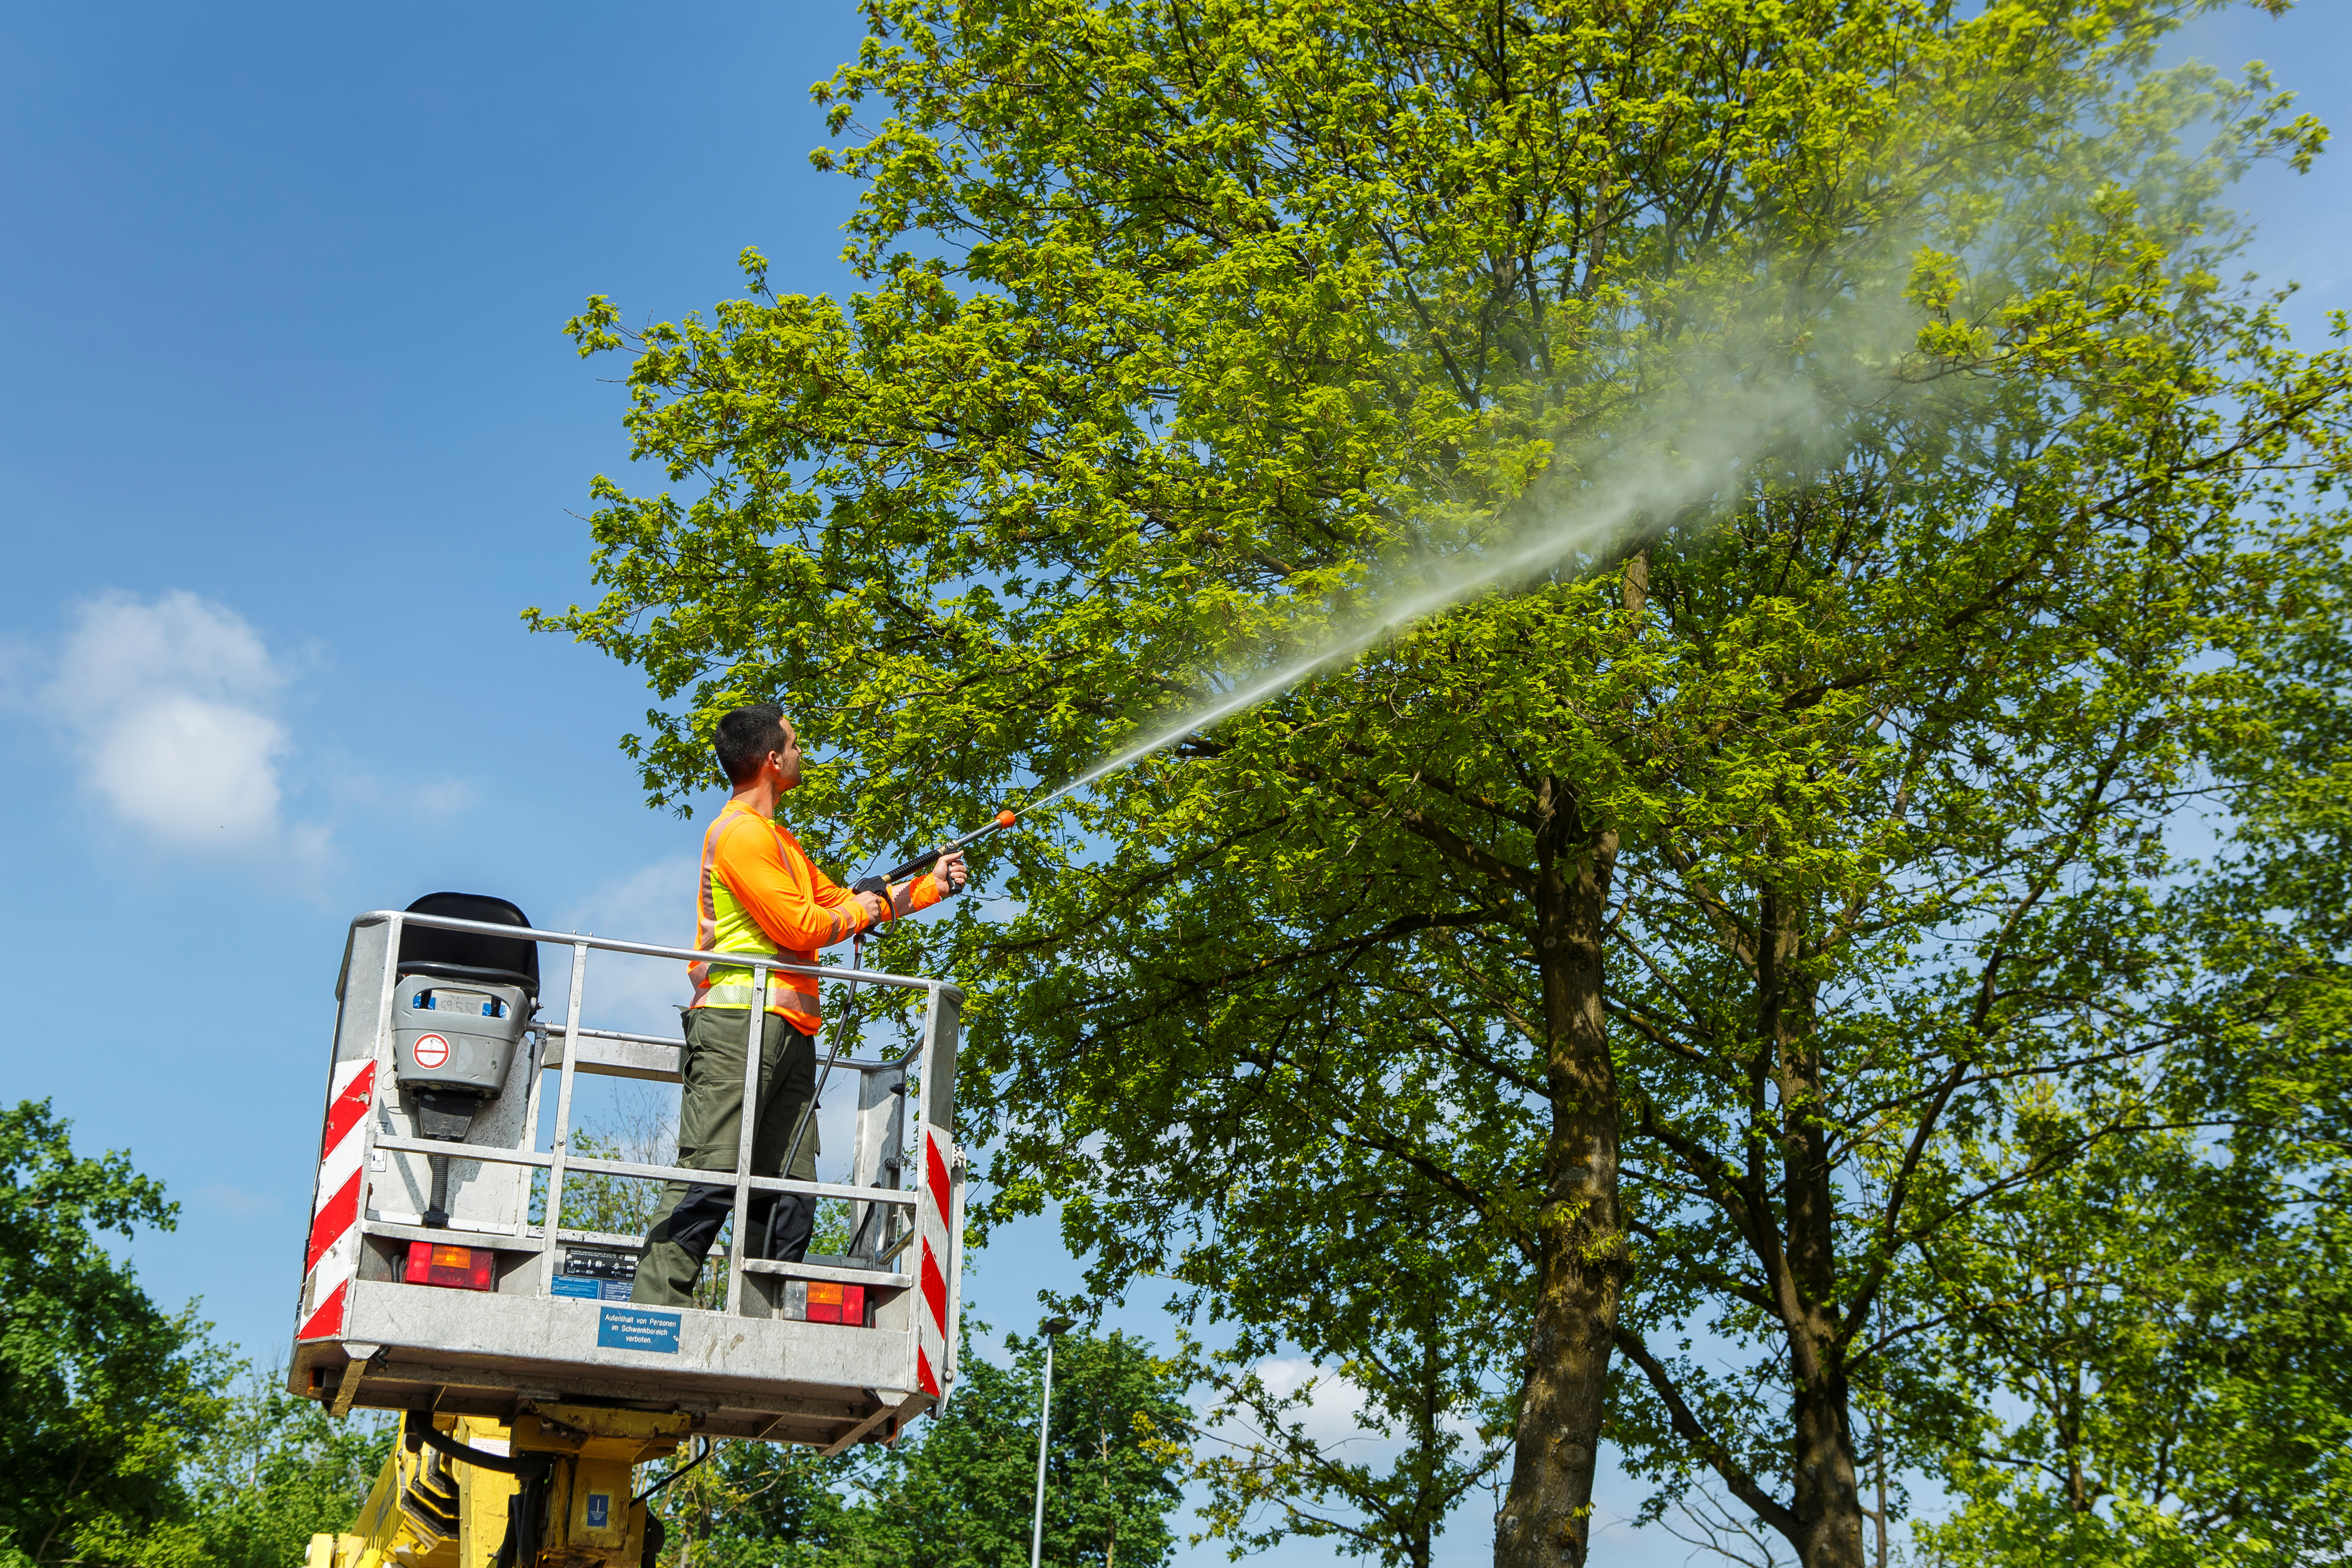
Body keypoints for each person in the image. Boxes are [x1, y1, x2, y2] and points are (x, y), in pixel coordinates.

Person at [630, 704, 966, 1306]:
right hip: (738, 1025)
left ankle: (760, 1317)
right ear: (771, 759)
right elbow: (802, 924)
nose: (801, 751)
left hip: (786, 1031)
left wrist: (928, 887)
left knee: (788, 1190)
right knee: (710, 1171)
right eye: (795, 742)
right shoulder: (739, 834)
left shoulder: (778, 840)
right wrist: (862, 909)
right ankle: (659, 1310)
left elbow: (840, 900)